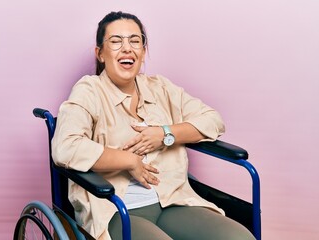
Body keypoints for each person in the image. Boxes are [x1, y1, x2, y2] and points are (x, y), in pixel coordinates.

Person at [52, 11, 255, 240]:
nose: (127, 48)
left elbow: (212, 120)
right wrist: (128, 160)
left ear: (143, 51)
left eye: (135, 41)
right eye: (116, 41)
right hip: (116, 209)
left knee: (240, 237)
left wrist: (165, 134)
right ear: (100, 54)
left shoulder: (160, 88)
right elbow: (66, 147)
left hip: (172, 201)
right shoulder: (89, 91)